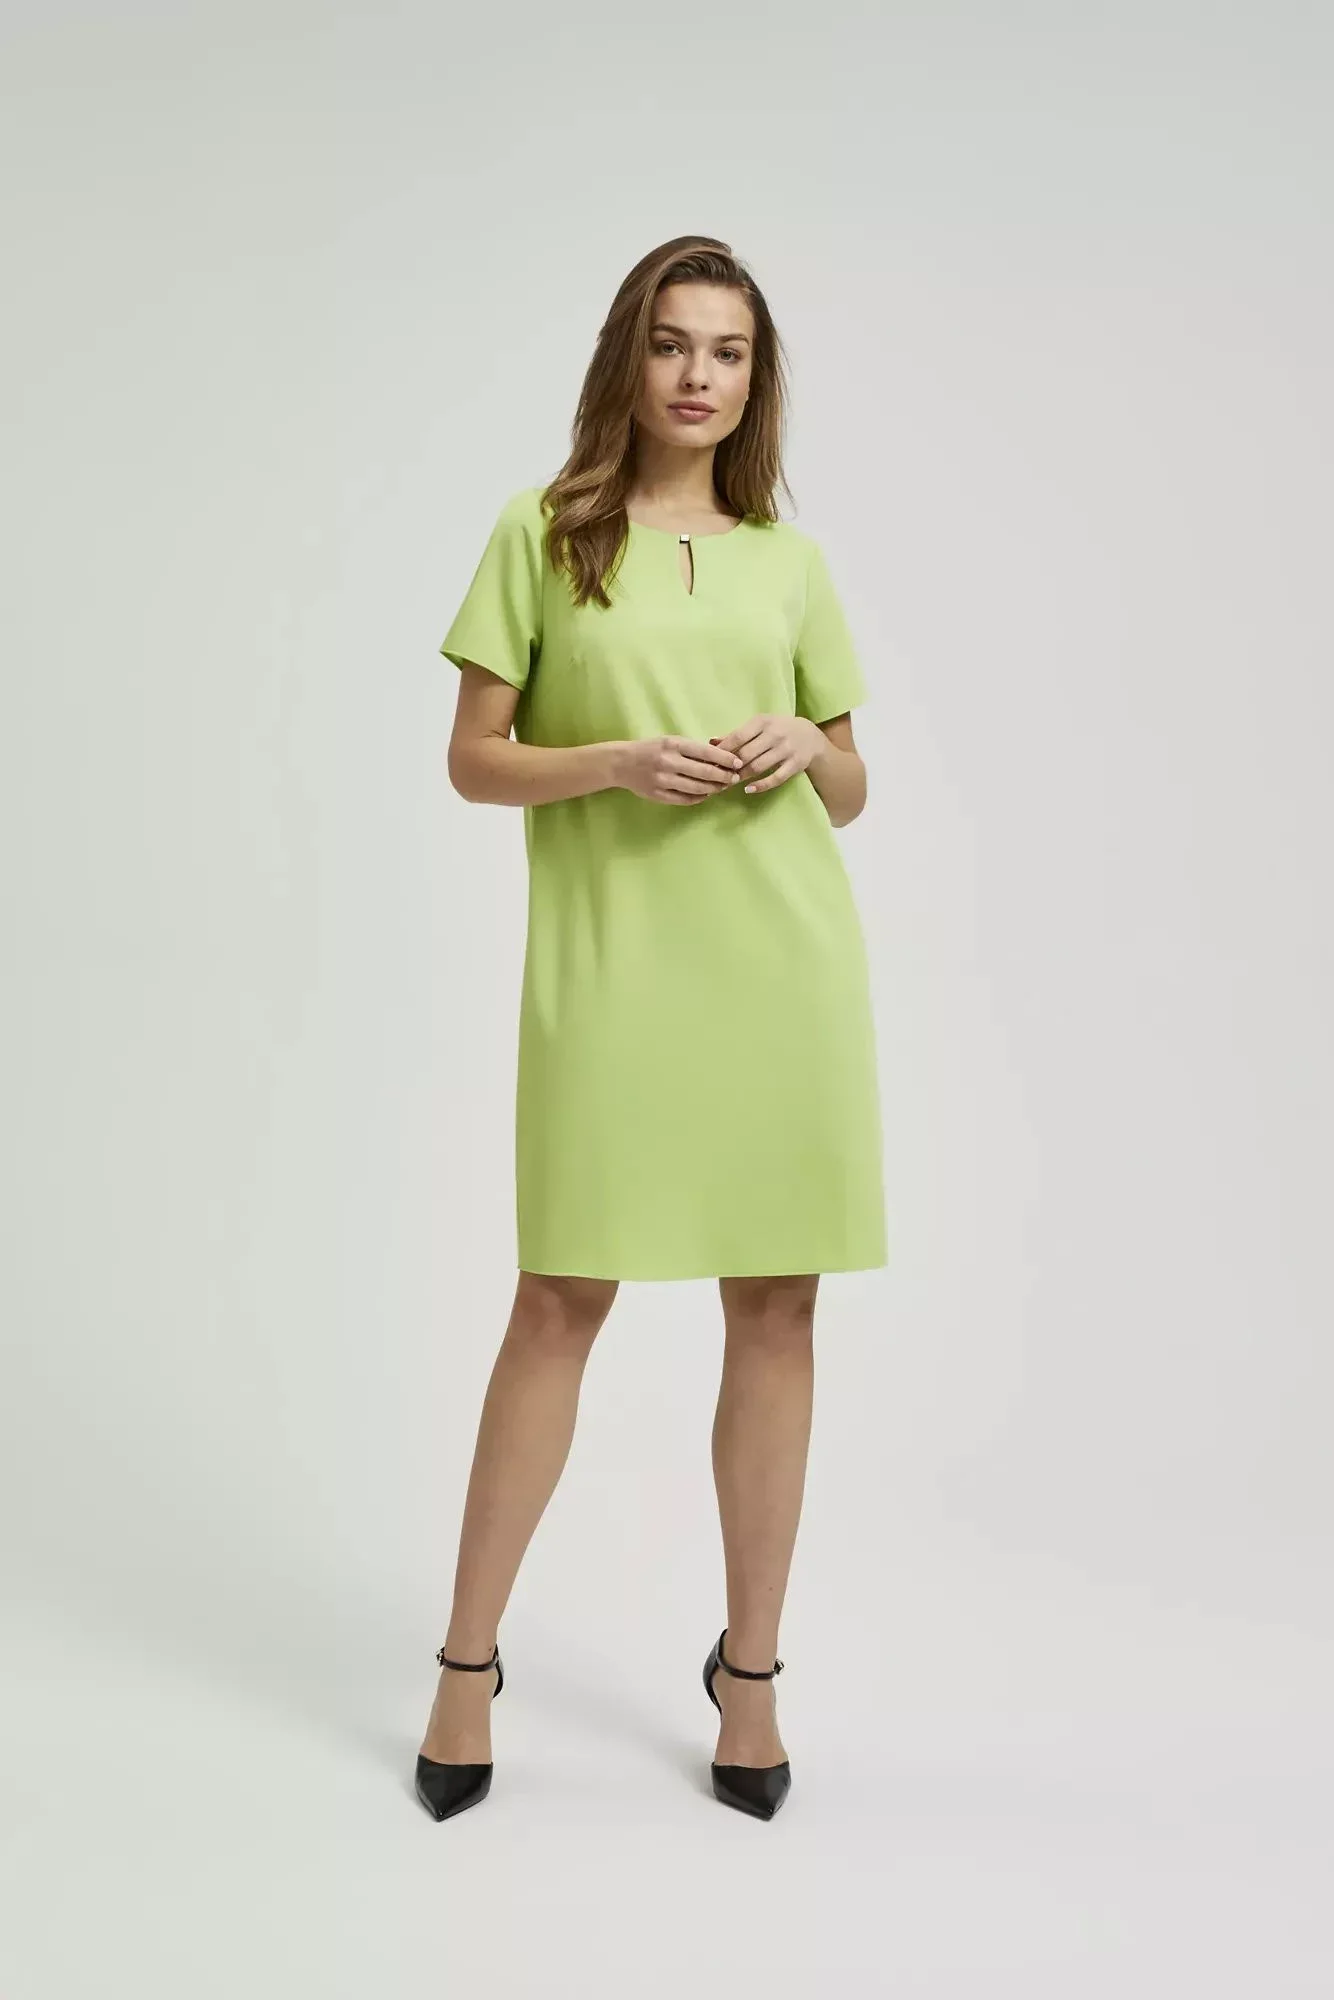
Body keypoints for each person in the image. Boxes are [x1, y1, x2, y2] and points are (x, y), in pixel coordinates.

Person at [416, 234, 887, 1824]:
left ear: (756, 378)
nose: (698, 374)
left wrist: (800, 745)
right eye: (673, 343)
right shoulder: (542, 534)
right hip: (614, 973)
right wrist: (614, 762)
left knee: (779, 1306)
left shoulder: (786, 560)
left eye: (728, 351)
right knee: (559, 1297)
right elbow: (473, 761)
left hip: (782, 972)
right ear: (629, 356)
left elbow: (850, 785)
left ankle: (749, 1677)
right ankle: (464, 1662)